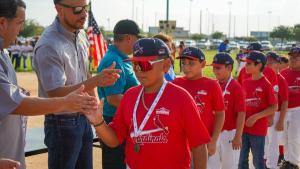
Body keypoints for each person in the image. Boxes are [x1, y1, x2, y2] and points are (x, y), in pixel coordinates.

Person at [0, 1, 119, 169]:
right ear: (59, 9)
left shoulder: (81, 35)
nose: (84, 14)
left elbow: (85, 74)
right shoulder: (49, 44)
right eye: (78, 9)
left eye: (86, 8)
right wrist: (95, 81)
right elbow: (55, 93)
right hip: (62, 123)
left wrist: (95, 118)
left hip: (83, 118)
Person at [86, 38, 211, 169]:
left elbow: (199, 145)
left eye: (145, 65)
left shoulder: (182, 98)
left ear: (166, 65)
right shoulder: (130, 96)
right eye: (135, 65)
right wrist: (98, 121)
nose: (139, 70)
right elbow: (114, 140)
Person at [97, 19, 140, 169]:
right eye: (137, 38)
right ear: (129, 38)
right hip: (114, 123)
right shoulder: (113, 60)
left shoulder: (122, 58)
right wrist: (144, 105)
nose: (138, 43)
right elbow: (114, 99)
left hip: (123, 121)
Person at [173, 47, 225, 168]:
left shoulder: (212, 85)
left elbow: (220, 113)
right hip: (181, 144)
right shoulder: (176, 84)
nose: (186, 67)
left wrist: (214, 140)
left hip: (204, 144)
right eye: (183, 63)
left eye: (191, 63)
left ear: (203, 64)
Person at [238, 51, 278, 169]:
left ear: (259, 65)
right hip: (243, 129)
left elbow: (274, 107)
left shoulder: (266, 84)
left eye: (249, 64)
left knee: (258, 162)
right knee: (241, 162)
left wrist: (256, 117)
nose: (246, 66)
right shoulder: (245, 82)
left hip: (258, 131)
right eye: (246, 63)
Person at [210, 52, 246, 169]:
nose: (215, 71)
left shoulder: (236, 87)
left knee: (229, 166)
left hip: (229, 134)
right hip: (214, 133)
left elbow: (241, 113)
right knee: (211, 165)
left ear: (229, 68)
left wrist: (238, 136)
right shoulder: (214, 85)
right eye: (214, 68)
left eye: (218, 68)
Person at [264, 52, 289, 169]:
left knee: (272, 143)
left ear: (278, 64)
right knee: (265, 142)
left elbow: (284, 102)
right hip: (264, 113)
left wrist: (281, 121)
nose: (268, 64)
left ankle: (272, 166)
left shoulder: (281, 79)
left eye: (271, 62)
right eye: (267, 61)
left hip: (276, 114)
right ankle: (264, 163)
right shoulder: (263, 78)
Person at [280, 47, 300, 169]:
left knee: (294, 136)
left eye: (296, 57)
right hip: (285, 109)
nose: (293, 59)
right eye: (291, 57)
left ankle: (293, 162)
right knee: (285, 136)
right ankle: (287, 160)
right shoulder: (283, 73)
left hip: (298, 109)